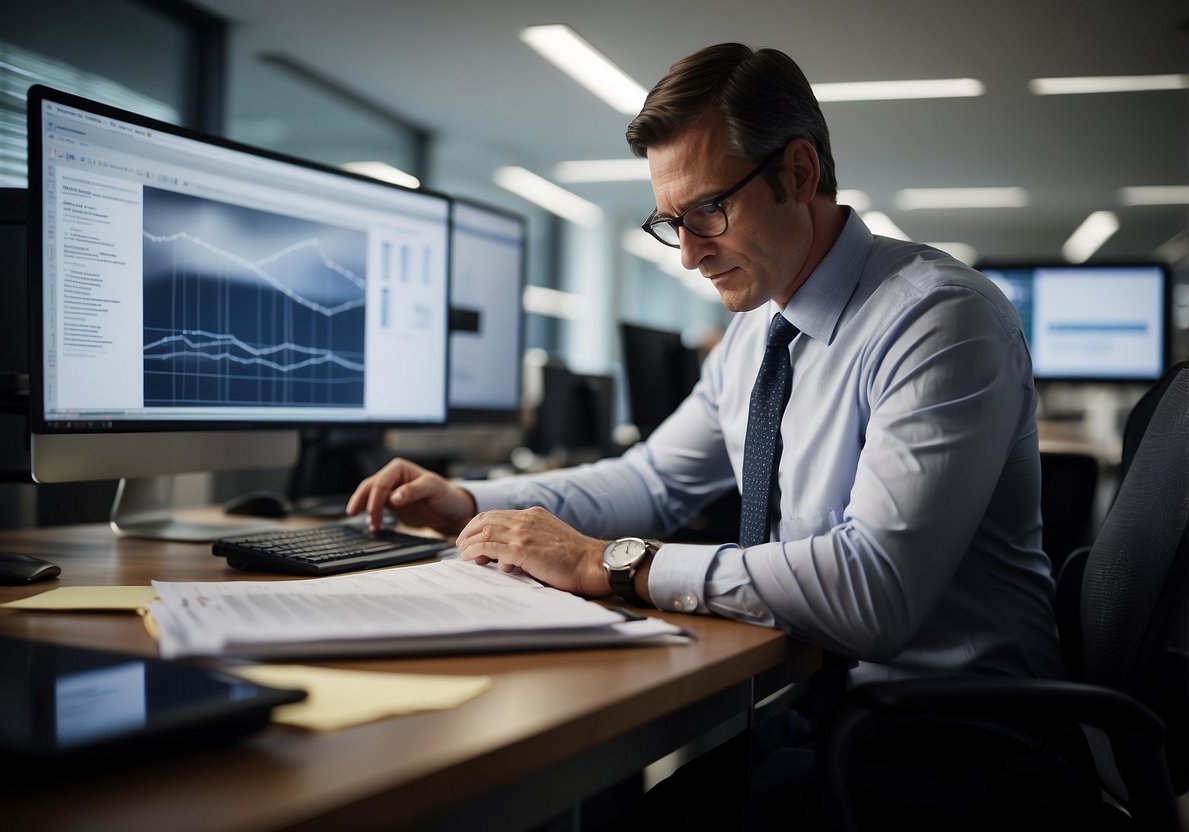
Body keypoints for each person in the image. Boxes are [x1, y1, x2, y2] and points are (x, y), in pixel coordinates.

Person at [349, 43, 1099, 829]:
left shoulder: (939, 319)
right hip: (829, 723)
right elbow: (649, 482)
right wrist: (468, 500)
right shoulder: (755, 331)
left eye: (706, 211)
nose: (686, 254)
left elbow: (873, 592)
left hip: (961, 751)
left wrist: (604, 562)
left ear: (798, 173)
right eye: (669, 223)